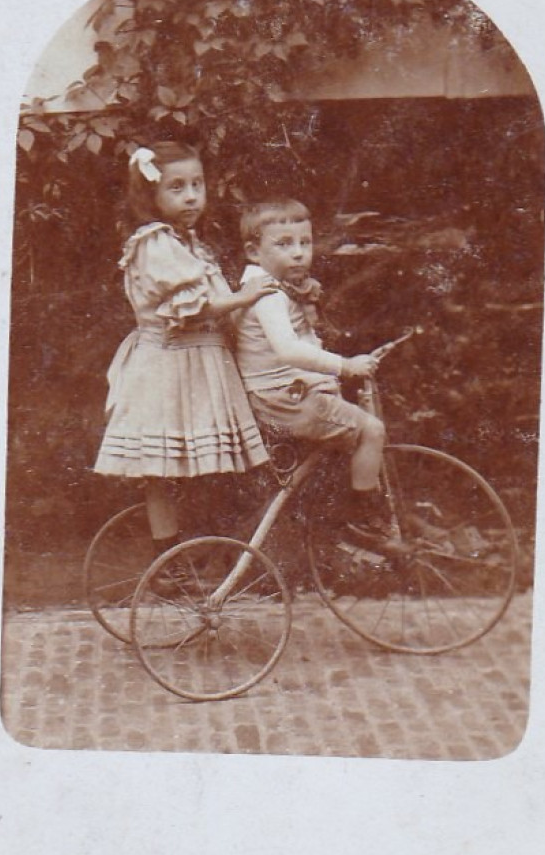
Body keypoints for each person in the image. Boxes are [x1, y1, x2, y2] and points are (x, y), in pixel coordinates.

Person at [94, 142, 276, 553]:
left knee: (203, 461)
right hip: (169, 366)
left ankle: (203, 550)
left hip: (202, 362)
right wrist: (246, 296)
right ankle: (170, 560)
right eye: (177, 187)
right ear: (152, 196)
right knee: (162, 466)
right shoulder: (154, 243)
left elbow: (219, 306)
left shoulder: (189, 244)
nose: (192, 195)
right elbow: (197, 309)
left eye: (197, 184)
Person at [234, 198, 394, 553]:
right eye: (284, 244)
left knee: (350, 436)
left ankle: (340, 524)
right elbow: (288, 350)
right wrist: (345, 365)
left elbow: (306, 343)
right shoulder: (267, 294)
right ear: (253, 251)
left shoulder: (278, 287)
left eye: (304, 243)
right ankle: (362, 522)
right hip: (283, 401)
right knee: (372, 430)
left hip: (288, 393)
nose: (298, 254)